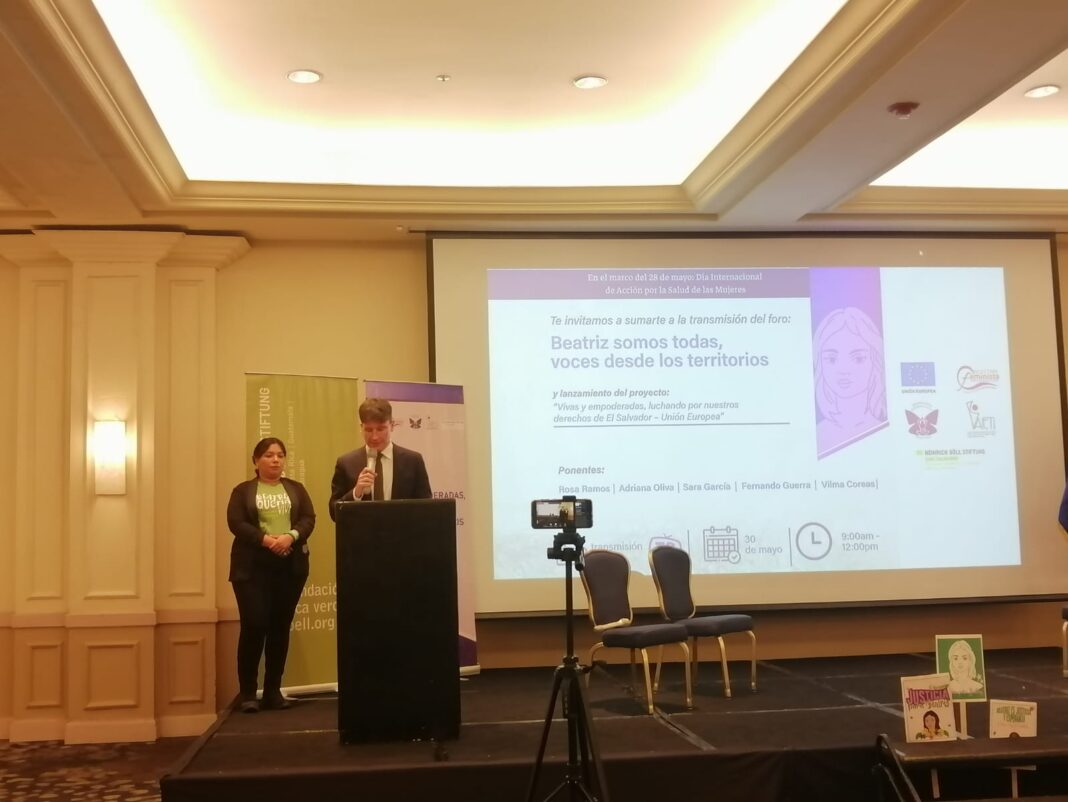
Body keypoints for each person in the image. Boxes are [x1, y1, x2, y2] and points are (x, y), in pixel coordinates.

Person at [226, 437, 315, 713]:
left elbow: (308, 518)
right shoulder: (242, 491)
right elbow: (236, 522)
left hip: (290, 567)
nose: (275, 460)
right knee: (254, 625)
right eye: (268, 455)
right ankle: (248, 694)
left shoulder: (296, 489)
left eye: (280, 455)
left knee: (279, 627)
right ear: (256, 460)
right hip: (251, 568)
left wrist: (291, 536)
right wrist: (266, 540)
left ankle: (273, 692)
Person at [329, 397, 432, 520]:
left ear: (392, 425)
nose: (374, 437)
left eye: (380, 429)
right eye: (368, 430)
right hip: (361, 532)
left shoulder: (413, 461)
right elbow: (334, 513)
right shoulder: (346, 463)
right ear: (361, 427)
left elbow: (427, 510)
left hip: (402, 531)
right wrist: (356, 493)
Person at [813, 306, 887, 456]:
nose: (843, 369)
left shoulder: (885, 431)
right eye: (831, 359)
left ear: (875, 362)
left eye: (858, 359)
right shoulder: (816, 434)